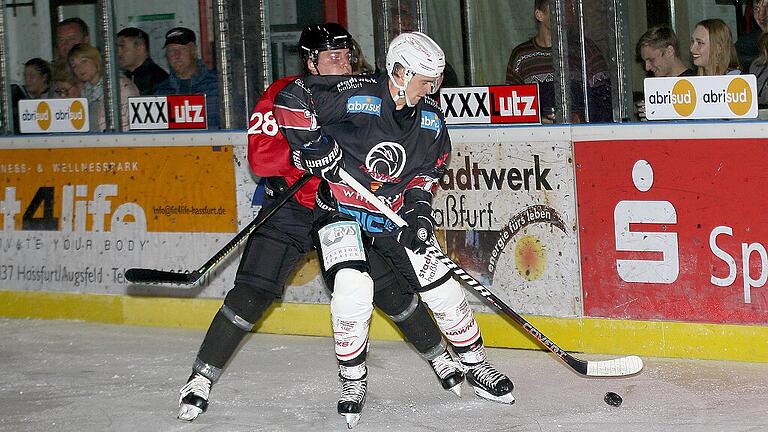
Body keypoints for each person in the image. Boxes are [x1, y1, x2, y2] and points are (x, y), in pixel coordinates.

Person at [176, 23, 463, 423]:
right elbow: (261, 158)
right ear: (309, 61)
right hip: (294, 209)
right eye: (331, 57)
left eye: (347, 55)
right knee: (253, 291)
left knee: (384, 289)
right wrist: (306, 157)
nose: (342, 63)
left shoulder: (365, 92)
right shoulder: (285, 95)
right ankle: (200, 378)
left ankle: (440, 359)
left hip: (347, 212)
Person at [275, 31, 514, 428]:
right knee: (354, 288)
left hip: (392, 213)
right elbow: (291, 98)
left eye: (435, 81)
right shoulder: (356, 92)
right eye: (426, 81)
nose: (432, 89)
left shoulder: (430, 120)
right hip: (340, 209)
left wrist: (419, 214)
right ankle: (352, 380)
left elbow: (425, 174)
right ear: (399, 72)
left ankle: (477, 366)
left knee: (441, 284)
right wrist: (315, 146)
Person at [505, 0, 612, 123]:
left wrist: (578, 118)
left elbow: (606, 99)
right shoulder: (521, 55)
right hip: (537, 138)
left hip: (579, 136)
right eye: (559, 8)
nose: (567, 13)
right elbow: (511, 105)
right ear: (539, 15)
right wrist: (538, 120)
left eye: (570, 7)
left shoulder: (585, 49)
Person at [154, 27, 220, 129]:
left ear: (193, 51)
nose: (176, 55)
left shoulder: (217, 86)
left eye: (182, 49)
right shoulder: (161, 91)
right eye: (171, 50)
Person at [68, 43, 139, 132]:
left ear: (96, 60)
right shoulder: (84, 91)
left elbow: (126, 125)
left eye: (84, 61)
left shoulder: (119, 86)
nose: (79, 68)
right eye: (74, 66)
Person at [634, 26, 696, 120]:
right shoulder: (655, 89)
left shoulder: (696, 84)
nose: (647, 67)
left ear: (669, 51)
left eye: (651, 60)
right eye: (645, 62)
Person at [117, 27, 169, 95]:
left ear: (140, 47)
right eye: (116, 47)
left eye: (122, 46)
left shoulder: (158, 80)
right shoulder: (123, 78)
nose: (118, 52)